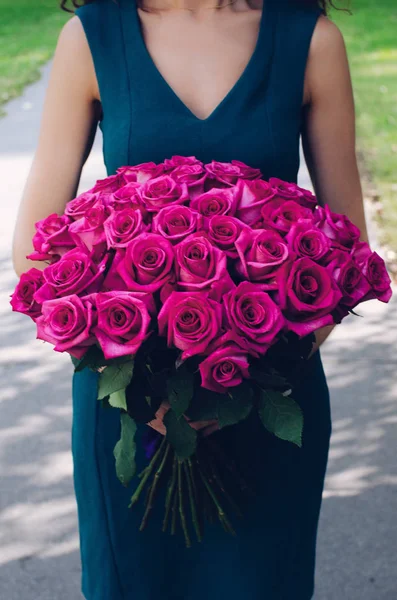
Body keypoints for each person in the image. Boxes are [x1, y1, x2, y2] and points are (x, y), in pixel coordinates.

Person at [12, 0, 369, 598]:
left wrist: (245, 377)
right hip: (126, 404)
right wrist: (137, 382)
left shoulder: (312, 42)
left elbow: (346, 247)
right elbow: (35, 248)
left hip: (270, 392)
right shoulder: (91, 37)